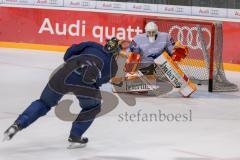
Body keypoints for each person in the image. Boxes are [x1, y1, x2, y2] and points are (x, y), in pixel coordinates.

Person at [3, 38, 119, 149]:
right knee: (93, 107)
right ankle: (75, 136)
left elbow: (68, 53)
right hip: (85, 84)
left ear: (106, 44)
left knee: (44, 102)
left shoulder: (92, 44)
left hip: (65, 72)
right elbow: (98, 82)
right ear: (116, 53)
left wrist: (72, 64)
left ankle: (18, 124)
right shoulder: (113, 66)